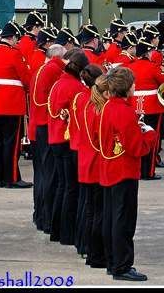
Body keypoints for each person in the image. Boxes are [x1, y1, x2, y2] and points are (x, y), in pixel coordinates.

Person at [96, 66, 157, 281]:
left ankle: (114, 262)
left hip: (109, 169)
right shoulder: (123, 110)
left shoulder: (108, 107)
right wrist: (149, 134)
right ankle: (122, 266)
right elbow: (136, 148)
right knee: (124, 221)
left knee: (112, 218)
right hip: (123, 171)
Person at [47, 49, 90, 246]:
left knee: (62, 186)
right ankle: (67, 233)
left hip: (55, 138)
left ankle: (56, 230)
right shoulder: (77, 89)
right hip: (67, 140)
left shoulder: (58, 83)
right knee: (71, 188)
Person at [0, 21, 32, 189]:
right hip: (10, 105)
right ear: (11, 38)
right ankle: (12, 178)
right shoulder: (15, 54)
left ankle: (0, 178)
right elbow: (26, 79)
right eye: (17, 39)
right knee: (11, 143)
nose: (17, 42)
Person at [29, 43, 67, 234]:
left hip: (37, 126)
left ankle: (40, 215)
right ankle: (46, 218)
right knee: (49, 176)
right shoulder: (53, 69)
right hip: (46, 125)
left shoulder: (40, 70)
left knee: (41, 174)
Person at [72, 63, 106, 268]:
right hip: (94, 158)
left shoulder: (81, 97)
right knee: (94, 209)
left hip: (82, 153)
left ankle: (83, 244)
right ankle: (91, 249)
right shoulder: (94, 103)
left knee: (86, 205)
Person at [129, 39, 164, 181]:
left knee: (136, 139)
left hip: (133, 107)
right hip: (152, 107)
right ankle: (148, 172)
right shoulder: (152, 67)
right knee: (151, 140)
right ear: (147, 53)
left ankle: (137, 171)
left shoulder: (130, 67)